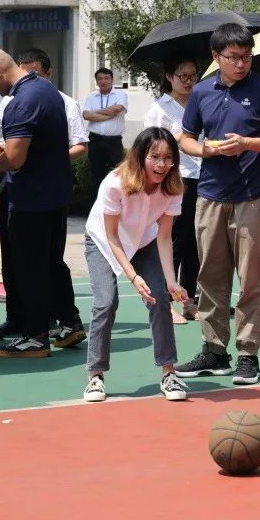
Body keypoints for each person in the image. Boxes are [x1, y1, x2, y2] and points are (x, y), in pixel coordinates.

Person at [175, 23, 260, 386]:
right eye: (234, 57)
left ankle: (248, 354)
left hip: (253, 198)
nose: (242, 63)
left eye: (247, 56)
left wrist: (247, 143)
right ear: (216, 57)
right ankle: (214, 351)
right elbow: (186, 138)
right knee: (210, 278)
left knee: (252, 279)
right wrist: (207, 149)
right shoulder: (201, 91)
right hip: (210, 196)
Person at [0, 47, 82, 358]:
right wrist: (8, 150)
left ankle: (35, 336)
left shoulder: (21, 101)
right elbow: (36, 145)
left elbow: (16, 158)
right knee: (52, 262)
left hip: (30, 199)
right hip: (55, 194)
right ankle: (70, 322)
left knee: (29, 267)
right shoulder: (47, 90)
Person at [82, 127, 190, 403]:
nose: (162, 164)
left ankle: (169, 373)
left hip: (144, 241)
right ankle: (95, 376)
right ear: (140, 156)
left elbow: (164, 237)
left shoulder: (173, 187)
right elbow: (112, 237)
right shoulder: (115, 184)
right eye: (155, 157)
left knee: (160, 298)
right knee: (106, 302)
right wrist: (132, 276)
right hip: (104, 241)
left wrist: (171, 281)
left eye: (168, 158)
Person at [143, 53, 201, 324]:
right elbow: (150, 147)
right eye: (183, 76)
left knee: (195, 243)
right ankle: (165, 302)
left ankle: (189, 300)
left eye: (193, 76)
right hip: (175, 179)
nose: (189, 81)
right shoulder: (159, 109)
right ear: (169, 77)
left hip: (202, 176)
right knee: (173, 241)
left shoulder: (200, 103)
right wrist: (177, 139)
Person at [82, 67, 127, 193]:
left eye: (106, 78)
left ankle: (114, 202)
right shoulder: (91, 96)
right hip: (95, 140)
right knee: (96, 173)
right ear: (96, 81)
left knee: (115, 174)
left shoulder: (120, 94)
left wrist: (95, 112)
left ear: (112, 80)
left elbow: (117, 109)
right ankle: (97, 203)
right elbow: (86, 115)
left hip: (114, 142)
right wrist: (109, 114)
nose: (103, 81)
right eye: (100, 79)